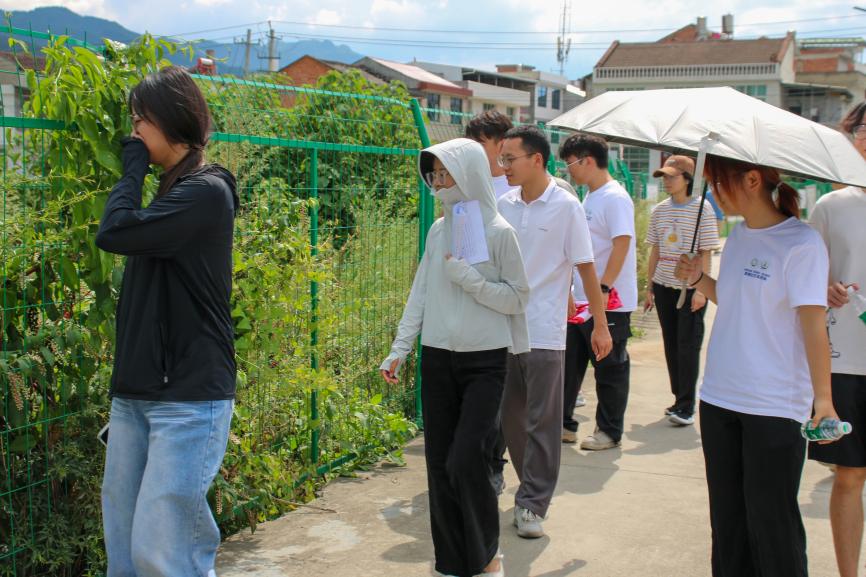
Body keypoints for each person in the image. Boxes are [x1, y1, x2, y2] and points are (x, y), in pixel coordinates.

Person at [96, 66, 238, 577]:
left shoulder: (206, 192)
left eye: (140, 121)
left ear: (171, 120)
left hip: (188, 398)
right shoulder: (172, 193)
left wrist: (131, 169)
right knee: (124, 552)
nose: (133, 133)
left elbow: (114, 231)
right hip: (135, 394)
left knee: (164, 554)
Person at [675, 155, 838, 577]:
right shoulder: (739, 237)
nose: (713, 194)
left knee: (771, 523)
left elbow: (814, 326)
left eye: (717, 183)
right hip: (720, 396)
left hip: (774, 404)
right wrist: (698, 279)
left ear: (751, 179)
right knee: (728, 522)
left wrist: (823, 400)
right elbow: (734, 300)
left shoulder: (801, 243)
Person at [380, 137, 529, 577]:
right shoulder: (438, 231)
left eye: (447, 173)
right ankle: (450, 560)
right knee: (439, 464)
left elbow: (518, 298)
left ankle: (487, 556)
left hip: (485, 361)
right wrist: (400, 348)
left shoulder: (500, 232)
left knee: (467, 459)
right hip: (438, 358)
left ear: (469, 174)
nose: (439, 183)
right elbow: (421, 292)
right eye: (435, 174)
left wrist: (470, 280)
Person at [497, 125, 612, 538]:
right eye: (502, 158)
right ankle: (528, 485)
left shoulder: (566, 207)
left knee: (542, 421)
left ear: (536, 160)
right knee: (509, 418)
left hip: (544, 331)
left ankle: (533, 503)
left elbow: (585, 266)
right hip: (502, 329)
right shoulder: (504, 205)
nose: (504, 166)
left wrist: (600, 325)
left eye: (510, 158)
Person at [464, 110, 577, 496]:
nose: (498, 161)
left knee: (532, 414)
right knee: (499, 407)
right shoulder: (477, 189)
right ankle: (500, 472)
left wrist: (569, 293)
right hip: (495, 314)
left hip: (540, 323)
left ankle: (525, 489)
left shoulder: (557, 195)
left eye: (482, 144)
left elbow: (569, 254)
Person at [807, 101, 866, 577]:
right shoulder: (831, 206)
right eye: (863, 128)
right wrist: (824, 286)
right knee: (850, 474)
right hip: (845, 361)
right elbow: (809, 274)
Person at [558, 134, 637, 450]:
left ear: (587, 160)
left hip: (609, 300)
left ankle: (609, 431)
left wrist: (604, 286)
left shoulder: (614, 197)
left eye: (570, 164)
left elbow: (622, 243)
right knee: (570, 364)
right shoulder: (591, 197)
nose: (569, 171)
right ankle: (564, 425)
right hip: (582, 299)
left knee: (609, 367)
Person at [644, 155, 719, 426]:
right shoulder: (659, 210)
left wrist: (702, 290)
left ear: (687, 179)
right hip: (664, 285)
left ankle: (687, 406)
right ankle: (679, 398)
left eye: (671, 176)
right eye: (663, 176)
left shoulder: (702, 210)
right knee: (671, 344)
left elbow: (706, 251)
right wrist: (650, 286)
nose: (666, 181)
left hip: (690, 288)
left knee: (688, 346)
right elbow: (655, 249)